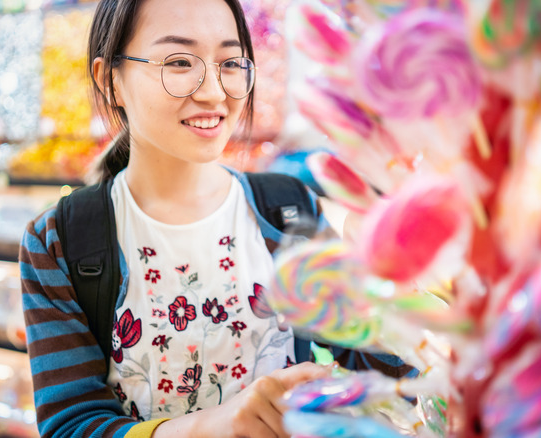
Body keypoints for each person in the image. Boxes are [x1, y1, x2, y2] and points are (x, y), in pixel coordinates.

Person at [19, 0, 333, 437]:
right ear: (110, 80)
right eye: (180, 62)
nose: (213, 92)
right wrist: (216, 427)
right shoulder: (59, 241)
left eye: (230, 62)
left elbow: (378, 362)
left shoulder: (289, 212)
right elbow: (71, 425)